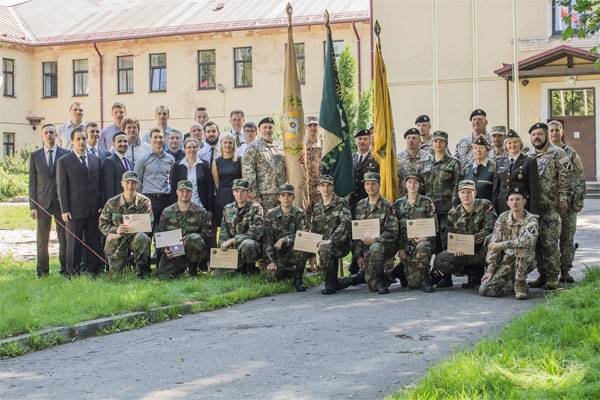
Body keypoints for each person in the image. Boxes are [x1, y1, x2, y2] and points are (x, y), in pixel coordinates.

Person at [526, 122, 570, 290]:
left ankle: (553, 277)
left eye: (540, 134)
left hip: (551, 205)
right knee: (537, 242)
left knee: (550, 243)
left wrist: (564, 198)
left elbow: (566, 176)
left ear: (546, 135)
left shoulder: (558, 153)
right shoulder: (528, 155)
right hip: (533, 207)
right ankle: (542, 275)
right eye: (533, 135)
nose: (536, 137)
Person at [432, 180, 496, 289]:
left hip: (481, 250)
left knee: (491, 240)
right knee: (440, 259)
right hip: (464, 252)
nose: (466, 195)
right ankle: (468, 271)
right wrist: (455, 248)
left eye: (469, 192)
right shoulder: (453, 213)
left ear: (474, 193)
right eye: (463, 192)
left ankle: (489, 274)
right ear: (458, 194)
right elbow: (451, 236)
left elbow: (490, 229)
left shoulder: (485, 205)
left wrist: (470, 241)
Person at [56, 127, 103, 276]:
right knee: (74, 244)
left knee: (93, 241)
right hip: (74, 210)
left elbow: (99, 185)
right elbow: (62, 187)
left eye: (84, 138)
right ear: (72, 141)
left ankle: (93, 271)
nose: (82, 141)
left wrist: (100, 206)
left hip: (93, 209)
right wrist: (64, 209)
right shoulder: (64, 161)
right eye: (78, 139)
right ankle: (72, 272)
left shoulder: (95, 159)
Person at [480, 188, 539, 300]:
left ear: (524, 201)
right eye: (511, 200)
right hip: (508, 260)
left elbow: (528, 241)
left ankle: (520, 284)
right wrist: (490, 270)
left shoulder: (531, 219)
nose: (514, 202)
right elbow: (494, 244)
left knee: (521, 248)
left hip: (527, 259)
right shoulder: (502, 218)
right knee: (485, 289)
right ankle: (510, 282)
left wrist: (502, 245)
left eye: (518, 199)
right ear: (507, 203)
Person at [548, 120, 586, 283]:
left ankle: (565, 270)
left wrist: (578, 200)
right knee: (549, 239)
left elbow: (580, 177)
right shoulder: (545, 152)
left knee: (567, 237)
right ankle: (548, 273)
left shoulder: (570, 153)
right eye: (551, 131)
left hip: (568, 204)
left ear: (562, 132)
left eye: (557, 130)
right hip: (550, 204)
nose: (554, 133)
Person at [29, 123, 69, 277]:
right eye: (46, 132)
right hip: (42, 203)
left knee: (63, 238)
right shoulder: (35, 155)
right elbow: (32, 182)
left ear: (56, 135)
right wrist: (32, 206)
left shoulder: (65, 154)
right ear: (42, 135)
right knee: (42, 239)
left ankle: (65, 269)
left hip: (61, 203)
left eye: (52, 132)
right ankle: (42, 271)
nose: (49, 135)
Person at [350, 172, 399, 294]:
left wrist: (376, 239)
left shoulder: (387, 206)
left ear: (379, 185)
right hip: (367, 249)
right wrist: (358, 255)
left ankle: (382, 281)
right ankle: (391, 274)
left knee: (376, 247)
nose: (370, 187)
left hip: (384, 246)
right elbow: (357, 232)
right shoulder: (360, 205)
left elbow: (392, 231)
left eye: (373, 184)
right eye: (367, 184)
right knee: (372, 286)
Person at [98, 171, 152, 278]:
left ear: (138, 185)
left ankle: (141, 273)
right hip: (118, 239)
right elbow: (102, 224)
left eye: (133, 183)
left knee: (143, 238)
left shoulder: (144, 202)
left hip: (135, 238)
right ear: (122, 183)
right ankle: (116, 268)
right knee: (115, 278)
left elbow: (149, 223)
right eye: (127, 182)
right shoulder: (112, 202)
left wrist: (135, 229)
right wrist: (116, 230)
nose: (130, 186)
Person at [156, 180, 212, 279]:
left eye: (188, 191)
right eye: (182, 191)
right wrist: (165, 249)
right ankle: (180, 268)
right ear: (177, 192)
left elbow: (207, 236)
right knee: (162, 277)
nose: (185, 194)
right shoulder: (167, 212)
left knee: (194, 238)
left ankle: (193, 269)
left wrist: (189, 238)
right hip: (174, 251)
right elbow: (159, 235)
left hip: (193, 251)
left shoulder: (201, 212)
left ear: (192, 192)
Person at [393, 173, 436, 292]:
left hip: (422, 243)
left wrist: (425, 238)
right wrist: (400, 248)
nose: (412, 185)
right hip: (406, 246)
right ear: (405, 184)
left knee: (423, 246)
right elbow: (394, 228)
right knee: (412, 283)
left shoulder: (427, 202)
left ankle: (425, 279)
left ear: (420, 185)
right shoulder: (398, 204)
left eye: (415, 182)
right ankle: (401, 271)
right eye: (410, 182)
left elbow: (434, 225)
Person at [310, 175, 353, 295]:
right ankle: (345, 280)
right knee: (322, 248)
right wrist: (311, 254)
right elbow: (314, 230)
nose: (325, 188)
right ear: (318, 188)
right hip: (325, 246)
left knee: (325, 248)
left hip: (341, 243)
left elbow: (346, 223)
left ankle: (329, 283)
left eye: (328, 185)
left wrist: (331, 240)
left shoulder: (342, 202)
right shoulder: (317, 207)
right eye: (322, 185)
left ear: (333, 187)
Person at [264, 183, 309, 291]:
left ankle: (298, 279)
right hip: (276, 254)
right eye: (283, 195)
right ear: (279, 197)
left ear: (293, 197)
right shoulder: (270, 214)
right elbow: (267, 240)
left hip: (292, 251)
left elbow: (304, 235)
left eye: (289, 195)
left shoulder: (300, 213)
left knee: (303, 248)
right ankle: (288, 271)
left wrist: (284, 239)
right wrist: (270, 261)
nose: (286, 198)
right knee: (273, 278)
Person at [421, 130, 460, 253]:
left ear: (446, 143)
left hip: (446, 209)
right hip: (429, 209)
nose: (438, 144)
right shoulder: (425, 163)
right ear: (432, 143)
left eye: (441, 141)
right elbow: (421, 186)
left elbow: (456, 186)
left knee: (446, 240)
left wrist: (454, 208)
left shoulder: (453, 163)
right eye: (435, 141)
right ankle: (432, 269)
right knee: (431, 239)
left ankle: (444, 270)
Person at [218, 179, 264, 274]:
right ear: (233, 192)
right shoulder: (228, 208)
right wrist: (221, 248)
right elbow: (223, 233)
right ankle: (238, 268)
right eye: (237, 191)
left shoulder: (256, 207)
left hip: (252, 248)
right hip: (234, 250)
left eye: (243, 191)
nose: (240, 194)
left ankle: (249, 269)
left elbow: (255, 233)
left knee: (247, 244)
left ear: (248, 192)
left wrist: (232, 240)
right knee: (219, 275)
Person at [135, 127, 176, 233]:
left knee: (165, 232)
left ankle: (161, 251)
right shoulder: (143, 159)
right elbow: (138, 181)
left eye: (161, 137)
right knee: (147, 232)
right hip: (149, 199)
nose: (158, 140)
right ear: (150, 140)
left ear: (164, 139)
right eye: (155, 137)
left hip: (165, 199)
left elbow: (171, 179)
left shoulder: (170, 159)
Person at [242, 117, 287, 211]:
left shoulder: (280, 146)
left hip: (282, 194)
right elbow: (248, 173)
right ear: (259, 130)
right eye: (265, 127)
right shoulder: (253, 147)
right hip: (264, 196)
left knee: (280, 223)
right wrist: (255, 195)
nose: (267, 130)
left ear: (274, 129)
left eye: (270, 127)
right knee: (265, 223)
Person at [493, 129, 539, 214]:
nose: (512, 145)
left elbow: (534, 190)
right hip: (503, 206)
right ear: (505, 145)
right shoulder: (499, 162)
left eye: (515, 142)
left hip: (522, 206)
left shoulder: (529, 161)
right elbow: (496, 190)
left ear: (520, 144)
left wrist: (534, 213)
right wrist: (494, 211)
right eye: (509, 143)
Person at [170, 138, 213, 211]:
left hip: (201, 206)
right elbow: (174, 188)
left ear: (198, 148)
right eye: (189, 147)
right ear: (184, 149)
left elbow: (209, 188)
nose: (192, 149)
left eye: (194, 147)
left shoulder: (204, 165)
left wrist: (210, 210)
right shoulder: (177, 166)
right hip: (183, 207)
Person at [212, 133, 242, 227]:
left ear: (234, 145)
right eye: (225, 142)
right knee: (224, 225)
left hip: (237, 195)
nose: (227, 145)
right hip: (223, 197)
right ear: (221, 144)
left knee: (238, 223)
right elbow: (216, 184)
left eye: (230, 142)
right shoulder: (216, 162)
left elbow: (243, 179)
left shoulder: (240, 160)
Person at [349, 128, 379, 215]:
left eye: (365, 139)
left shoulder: (376, 160)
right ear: (356, 141)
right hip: (352, 203)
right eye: (359, 139)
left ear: (370, 141)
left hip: (369, 203)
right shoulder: (350, 159)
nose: (362, 141)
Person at [397, 127, 432, 197]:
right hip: (403, 199)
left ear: (419, 140)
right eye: (408, 138)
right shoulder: (398, 158)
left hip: (423, 197)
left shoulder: (428, 157)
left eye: (414, 138)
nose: (411, 140)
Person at [460, 137, 496, 204]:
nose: (478, 150)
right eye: (475, 148)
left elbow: (496, 192)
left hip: (487, 208)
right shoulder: (467, 169)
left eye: (481, 148)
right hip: (470, 208)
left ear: (487, 150)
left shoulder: (494, 167)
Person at [101, 131, 132, 203]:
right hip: (117, 204)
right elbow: (109, 188)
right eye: (119, 141)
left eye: (125, 141)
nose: (123, 144)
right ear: (114, 144)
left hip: (129, 203)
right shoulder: (109, 161)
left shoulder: (129, 162)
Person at [304, 115, 322, 211]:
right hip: (306, 189)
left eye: (315, 125)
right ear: (305, 127)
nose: (313, 128)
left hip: (322, 188)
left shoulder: (324, 145)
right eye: (310, 125)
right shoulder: (301, 147)